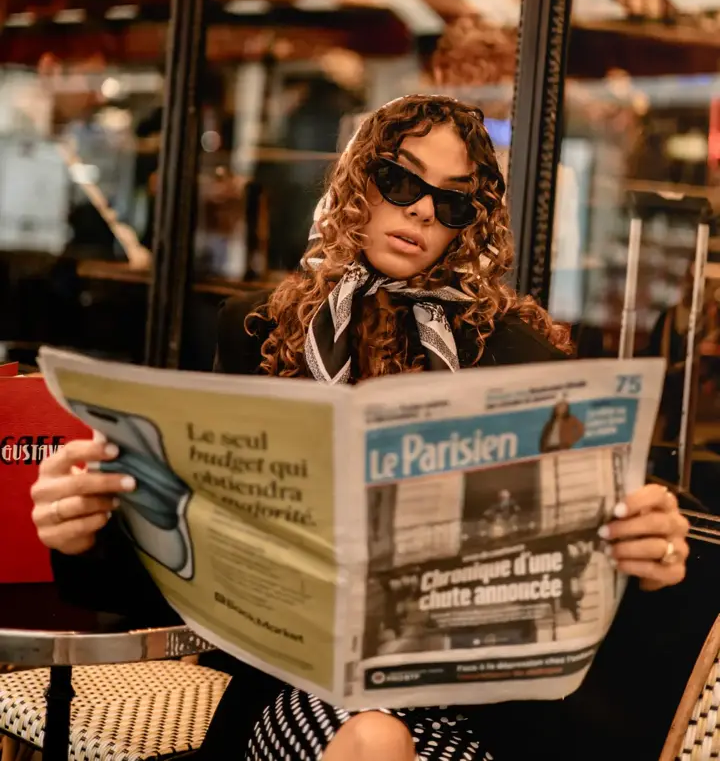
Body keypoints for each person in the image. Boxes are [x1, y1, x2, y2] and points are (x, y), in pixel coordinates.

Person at [30, 95, 691, 761]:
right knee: (372, 738)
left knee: (380, 741)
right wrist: (83, 533)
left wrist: (650, 553)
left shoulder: (520, 357)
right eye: (401, 181)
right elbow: (185, 557)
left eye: (452, 201)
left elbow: (589, 561)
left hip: (473, 706)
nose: (423, 210)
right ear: (357, 181)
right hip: (302, 685)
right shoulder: (258, 332)